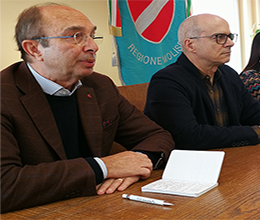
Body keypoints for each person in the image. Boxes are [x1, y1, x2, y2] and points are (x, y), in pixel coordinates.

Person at [1, 3, 174, 213]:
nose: (93, 46)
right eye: (76, 36)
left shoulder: (100, 86)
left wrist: (136, 165)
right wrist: (103, 167)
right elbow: (5, 185)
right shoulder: (5, 94)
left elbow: (157, 136)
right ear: (34, 49)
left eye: (92, 35)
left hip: (101, 206)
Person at [144, 14, 260, 150]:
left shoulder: (228, 74)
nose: (230, 43)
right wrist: (259, 133)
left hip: (230, 156)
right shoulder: (166, 81)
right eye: (219, 37)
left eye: (230, 36)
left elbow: (252, 111)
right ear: (191, 45)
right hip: (190, 167)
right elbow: (189, 136)